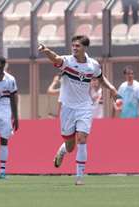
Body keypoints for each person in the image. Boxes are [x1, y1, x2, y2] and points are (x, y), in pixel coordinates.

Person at [38, 35, 118, 185]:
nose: (74, 48)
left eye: (78, 46)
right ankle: (62, 150)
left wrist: (111, 87)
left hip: (84, 107)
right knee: (70, 145)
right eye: (73, 45)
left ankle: (79, 177)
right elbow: (56, 59)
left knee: (82, 138)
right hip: (68, 108)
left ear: (85, 48)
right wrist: (46, 51)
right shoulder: (68, 61)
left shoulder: (93, 65)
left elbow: (100, 78)